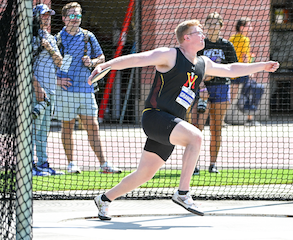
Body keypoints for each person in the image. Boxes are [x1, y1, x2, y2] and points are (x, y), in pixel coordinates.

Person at [89, 19, 279, 220]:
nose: (203, 35)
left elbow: (231, 70)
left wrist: (262, 66)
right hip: (155, 117)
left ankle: (104, 199)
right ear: (186, 38)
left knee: (144, 174)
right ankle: (183, 193)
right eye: (199, 32)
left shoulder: (202, 63)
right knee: (195, 137)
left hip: (171, 122)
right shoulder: (170, 55)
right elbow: (138, 59)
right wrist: (107, 65)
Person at [55, 2, 122, 174]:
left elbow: (101, 57)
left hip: (86, 89)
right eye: (72, 15)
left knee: (92, 126)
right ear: (64, 18)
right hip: (66, 92)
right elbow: (49, 65)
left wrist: (92, 62)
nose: (75, 18)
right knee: (67, 127)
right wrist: (57, 81)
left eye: (78, 15)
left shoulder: (88, 36)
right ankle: (71, 164)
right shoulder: (58, 39)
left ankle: (104, 164)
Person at [191, 12, 238, 175]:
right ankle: (194, 165)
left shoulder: (227, 45)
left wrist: (215, 74)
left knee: (216, 128)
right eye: (209, 24)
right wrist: (202, 82)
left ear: (221, 26)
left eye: (215, 24)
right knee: (196, 128)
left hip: (221, 88)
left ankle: (212, 164)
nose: (212, 26)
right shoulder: (200, 45)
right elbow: (192, 67)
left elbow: (233, 69)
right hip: (201, 89)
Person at [32, 4, 64, 176]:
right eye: (44, 15)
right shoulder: (30, 38)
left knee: (44, 131)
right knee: (32, 129)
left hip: (51, 90)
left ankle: (43, 164)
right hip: (37, 91)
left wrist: (50, 48)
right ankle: (28, 166)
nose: (47, 18)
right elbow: (24, 67)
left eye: (48, 15)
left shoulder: (50, 38)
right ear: (36, 17)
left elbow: (61, 63)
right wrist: (38, 88)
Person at [229, 17, 265, 126]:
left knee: (231, 95)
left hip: (233, 70)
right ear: (242, 27)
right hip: (243, 70)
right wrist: (249, 70)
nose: (251, 28)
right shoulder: (245, 39)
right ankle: (250, 119)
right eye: (248, 25)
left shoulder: (232, 38)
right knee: (251, 91)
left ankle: (221, 118)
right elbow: (244, 56)